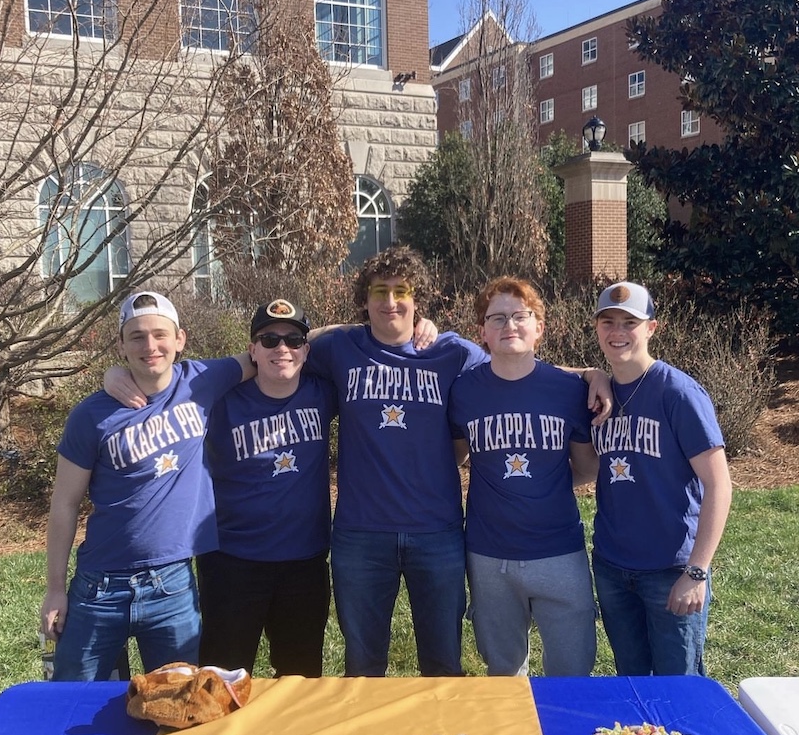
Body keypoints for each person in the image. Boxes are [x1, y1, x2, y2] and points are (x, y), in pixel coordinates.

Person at [304, 245, 611, 677]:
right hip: (360, 533)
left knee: (443, 663)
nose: (390, 301)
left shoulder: (451, 352)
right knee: (363, 664)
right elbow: (294, 344)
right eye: (378, 292)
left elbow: (517, 362)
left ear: (418, 298)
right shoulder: (341, 348)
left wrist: (590, 375)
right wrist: (351, 325)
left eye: (400, 291)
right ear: (364, 299)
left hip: (438, 532)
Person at [39, 291, 254, 680]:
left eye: (160, 334)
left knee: (177, 705)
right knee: (74, 704)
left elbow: (269, 354)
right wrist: (55, 589)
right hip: (98, 590)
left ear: (180, 340)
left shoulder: (202, 380)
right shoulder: (91, 415)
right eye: (136, 336)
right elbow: (64, 505)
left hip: (172, 586)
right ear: (120, 345)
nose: (150, 345)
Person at [449, 277, 598, 677]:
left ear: (539, 327)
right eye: (496, 318)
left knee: (572, 672)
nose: (509, 325)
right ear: (482, 332)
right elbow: (455, 454)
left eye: (520, 316)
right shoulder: (463, 391)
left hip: (559, 551)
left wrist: (543, 488)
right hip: (488, 553)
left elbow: (586, 466)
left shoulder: (568, 390)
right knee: (504, 674)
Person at [589, 281, 732, 676]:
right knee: (632, 685)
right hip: (613, 568)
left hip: (672, 571)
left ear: (652, 328)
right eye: (608, 322)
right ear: (597, 328)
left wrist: (697, 571)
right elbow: (536, 367)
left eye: (630, 323)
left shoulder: (679, 394)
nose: (618, 332)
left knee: (679, 689)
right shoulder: (598, 394)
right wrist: (591, 373)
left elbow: (719, 485)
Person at [197, 299, 337, 677]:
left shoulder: (322, 393)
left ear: (307, 350)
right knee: (219, 678)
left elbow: (355, 341)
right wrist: (118, 374)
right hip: (232, 563)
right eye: (269, 339)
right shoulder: (220, 401)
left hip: (304, 564)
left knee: (300, 678)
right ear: (251, 350)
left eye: (293, 340)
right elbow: (164, 382)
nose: (282, 349)